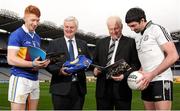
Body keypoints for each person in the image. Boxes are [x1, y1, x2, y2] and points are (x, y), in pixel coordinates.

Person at [125, 7, 179, 110]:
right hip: (146, 81)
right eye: (129, 27)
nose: (132, 29)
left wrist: (152, 74)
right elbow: (146, 60)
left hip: (161, 79)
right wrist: (139, 74)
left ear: (142, 20)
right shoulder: (138, 37)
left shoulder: (157, 29)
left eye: (133, 25)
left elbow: (173, 55)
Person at [7, 5, 50, 110]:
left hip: (35, 79)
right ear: (25, 18)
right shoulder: (16, 35)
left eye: (38, 20)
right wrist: (32, 64)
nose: (35, 23)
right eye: (33, 20)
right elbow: (11, 59)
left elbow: (33, 58)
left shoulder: (37, 37)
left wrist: (42, 64)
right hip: (20, 78)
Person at [93, 16, 141, 110]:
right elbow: (95, 62)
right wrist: (94, 70)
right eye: (111, 29)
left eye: (116, 28)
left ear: (121, 27)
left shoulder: (131, 42)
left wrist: (124, 76)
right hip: (102, 90)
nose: (114, 31)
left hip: (122, 89)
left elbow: (136, 64)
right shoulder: (100, 43)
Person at [46, 16, 90, 110]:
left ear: (76, 28)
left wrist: (87, 65)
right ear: (63, 27)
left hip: (79, 89)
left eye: (71, 27)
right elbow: (48, 64)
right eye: (66, 27)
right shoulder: (54, 43)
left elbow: (88, 61)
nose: (68, 29)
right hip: (60, 88)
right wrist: (59, 71)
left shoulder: (83, 44)